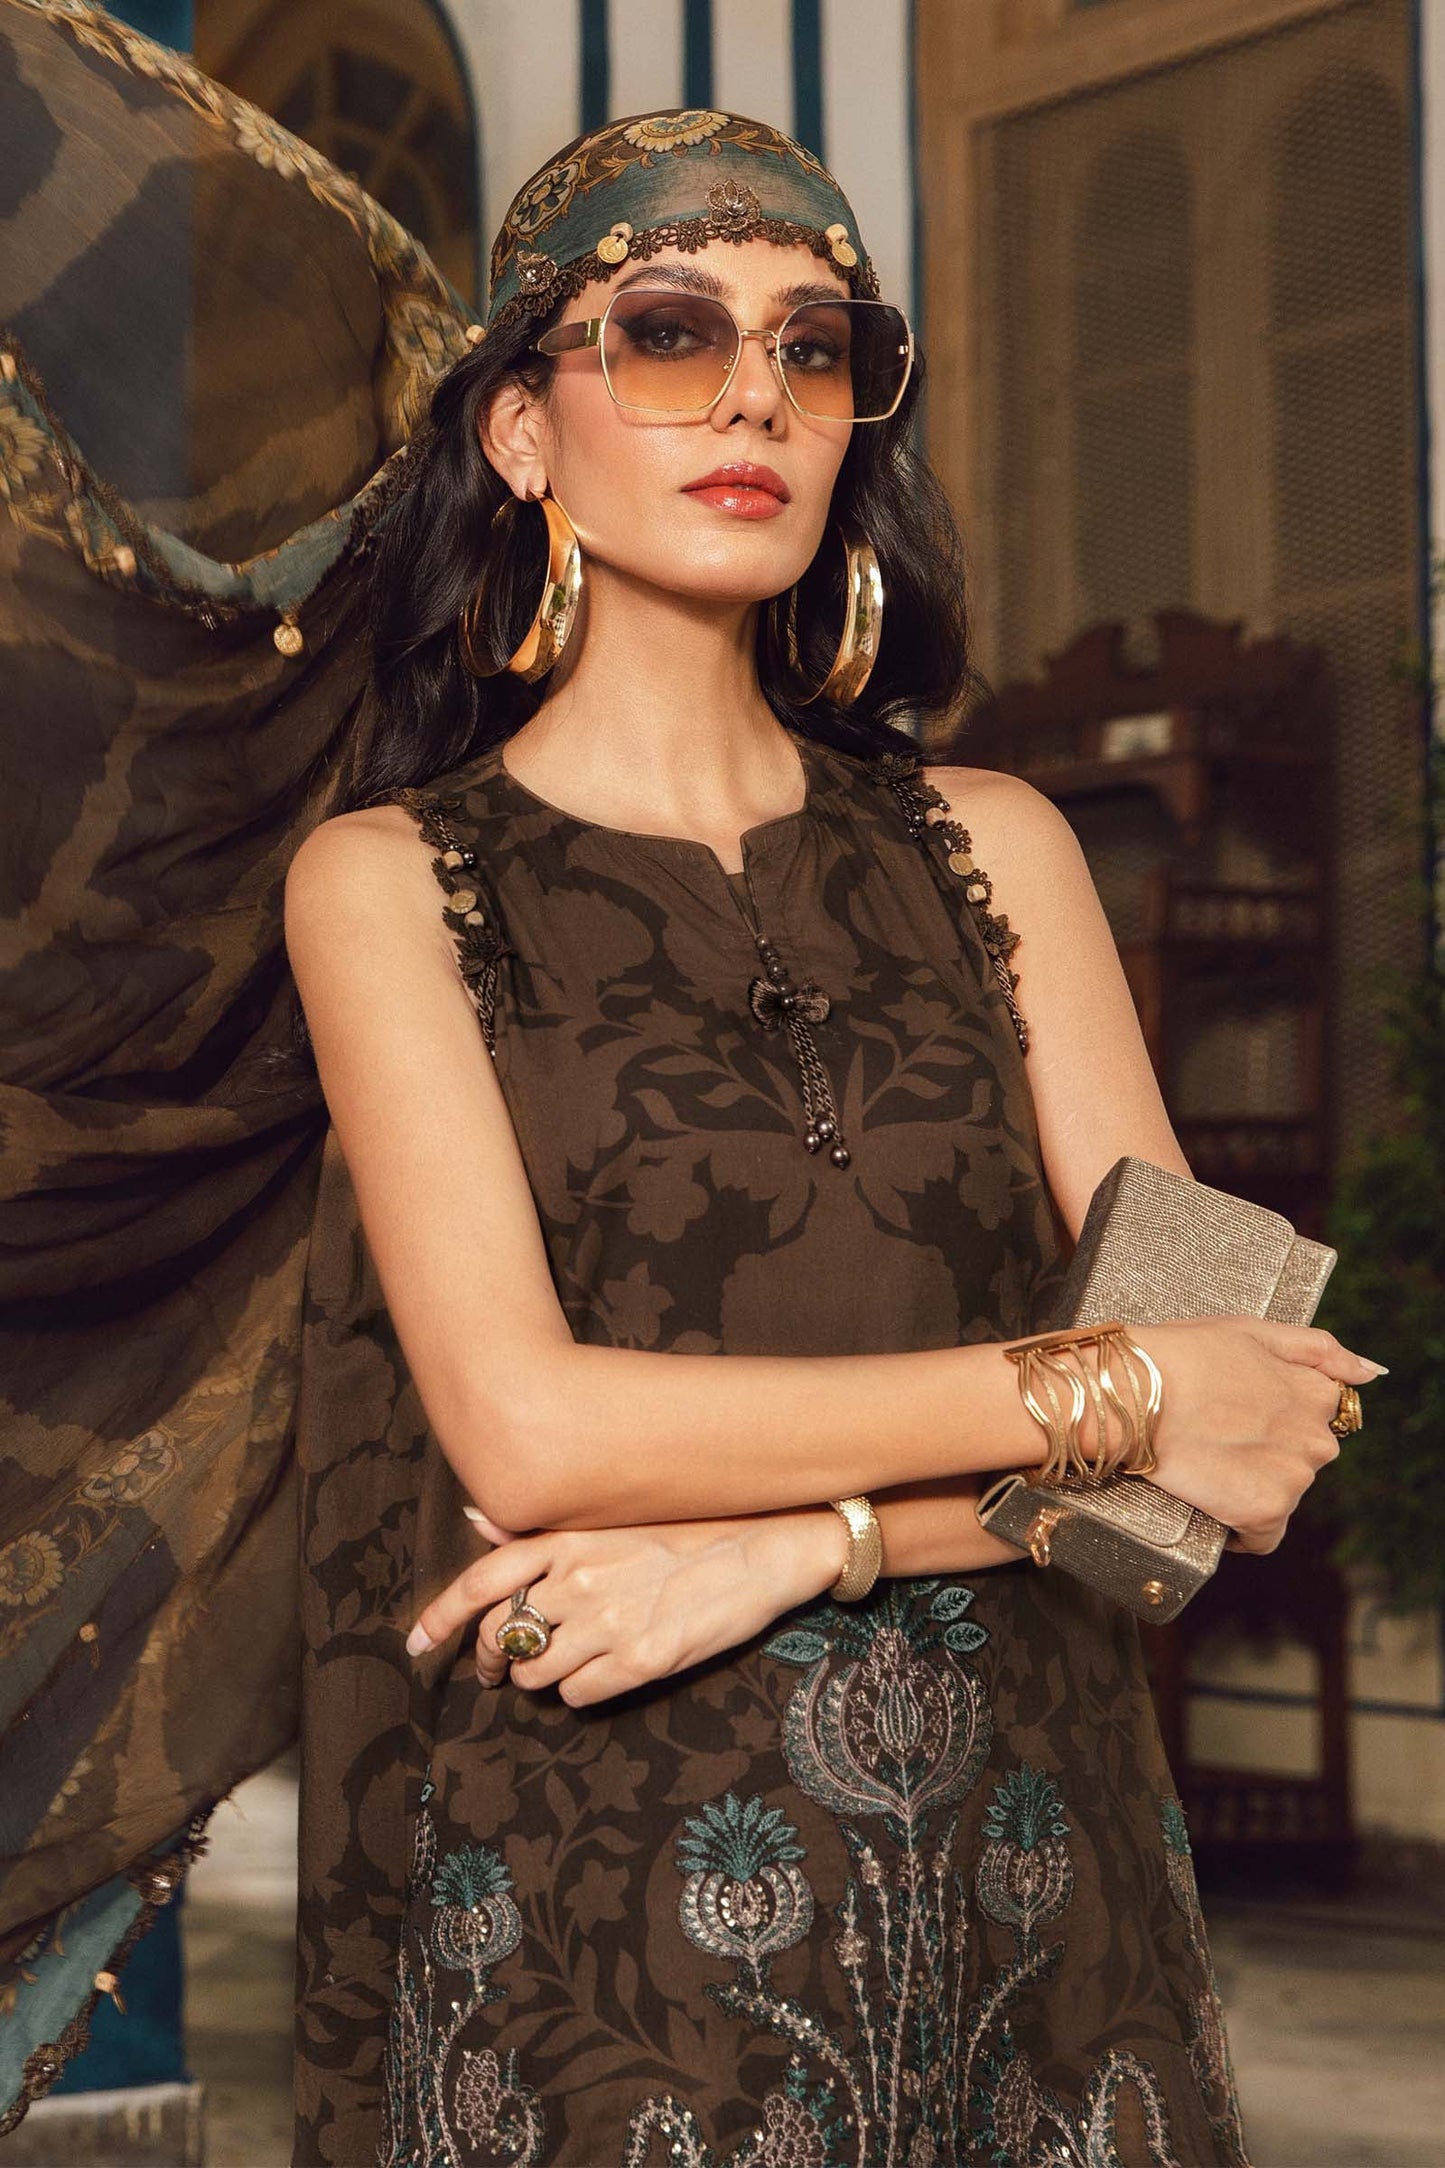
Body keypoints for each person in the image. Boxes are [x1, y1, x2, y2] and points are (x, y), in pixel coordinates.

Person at [277, 106, 1382, 2168]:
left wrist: (819, 1538)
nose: (757, 398)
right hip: (616, 1903)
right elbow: (527, 1432)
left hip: (1037, 1891)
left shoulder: (1004, 848)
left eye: (813, 345)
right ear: (524, 432)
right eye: (671, 334)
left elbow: (1233, 1452)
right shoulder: (388, 882)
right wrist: (1123, 1382)